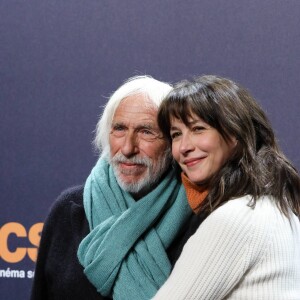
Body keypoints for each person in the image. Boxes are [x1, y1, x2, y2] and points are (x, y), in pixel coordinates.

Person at [30, 75, 203, 300]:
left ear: (173, 142)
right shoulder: (70, 209)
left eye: (146, 131)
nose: (128, 148)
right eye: (119, 129)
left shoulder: (200, 214)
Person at [153, 75, 300, 299]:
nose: (183, 147)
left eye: (198, 129)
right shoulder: (280, 206)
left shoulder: (237, 218)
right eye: (176, 134)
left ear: (235, 134)